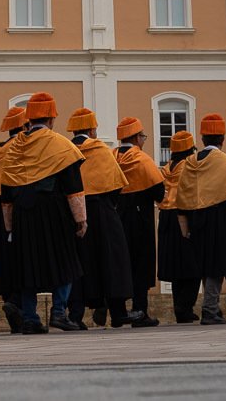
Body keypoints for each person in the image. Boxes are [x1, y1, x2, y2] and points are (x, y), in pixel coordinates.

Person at [0, 92, 86, 334]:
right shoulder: (60, 144)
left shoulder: (15, 148)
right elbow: (74, 187)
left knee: (27, 266)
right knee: (65, 261)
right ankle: (59, 313)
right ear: (51, 118)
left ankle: (30, 319)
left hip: (23, 215)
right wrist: (80, 219)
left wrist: (9, 227)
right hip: (54, 212)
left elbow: (5, 192)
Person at [174, 114, 226, 325]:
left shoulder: (190, 163)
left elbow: (181, 198)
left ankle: (211, 307)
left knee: (204, 264)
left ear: (202, 139)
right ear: (222, 139)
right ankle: (210, 310)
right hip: (219, 220)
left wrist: (184, 228)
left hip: (195, 219)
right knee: (216, 265)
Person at [65, 109, 143, 329]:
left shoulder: (66, 149)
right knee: (112, 260)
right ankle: (118, 313)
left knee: (78, 262)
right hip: (103, 210)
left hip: (74, 211)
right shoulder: (100, 149)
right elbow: (116, 183)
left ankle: (75, 316)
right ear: (92, 130)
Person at [112, 117, 165, 327]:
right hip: (140, 218)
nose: (143, 140)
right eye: (142, 136)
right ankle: (140, 311)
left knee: (118, 263)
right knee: (141, 263)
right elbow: (159, 192)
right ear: (135, 137)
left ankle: (117, 311)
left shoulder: (110, 157)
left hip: (115, 217)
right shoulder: (143, 160)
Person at [0, 107, 27, 333]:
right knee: (20, 259)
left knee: (2, 259)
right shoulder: (22, 147)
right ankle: (18, 304)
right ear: (24, 127)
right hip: (15, 205)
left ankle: (12, 310)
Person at [158, 132, 200, 324]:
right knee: (192, 262)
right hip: (184, 215)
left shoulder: (167, 168)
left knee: (175, 265)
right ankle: (186, 307)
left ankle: (179, 306)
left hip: (166, 216)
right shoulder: (190, 166)